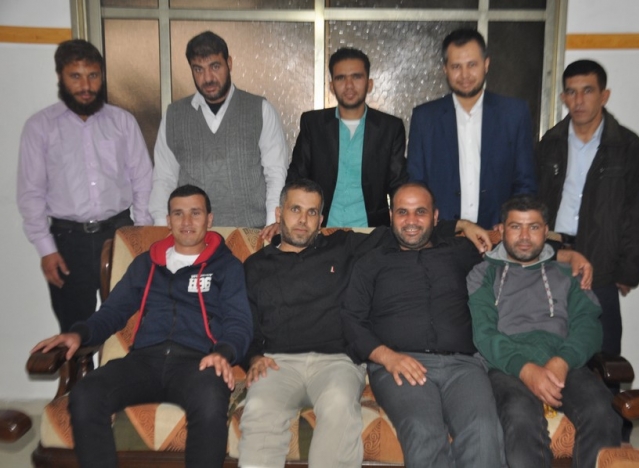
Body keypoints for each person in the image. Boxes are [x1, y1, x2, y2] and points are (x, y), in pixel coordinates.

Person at [239, 179, 489, 468]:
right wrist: (253, 357)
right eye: (295, 209)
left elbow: (408, 228)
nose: (303, 220)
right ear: (278, 213)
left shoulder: (343, 245)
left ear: (321, 219)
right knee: (259, 409)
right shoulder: (255, 265)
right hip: (277, 362)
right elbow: (246, 321)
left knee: (339, 405)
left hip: (336, 361)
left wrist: (460, 225)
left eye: (312, 212)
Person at [31, 185, 253, 468]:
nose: (186, 221)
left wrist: (223, 352)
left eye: (195, 213)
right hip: (144, 361)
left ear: (209, 219)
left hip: (198, 363)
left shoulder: (227, 266)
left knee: (210, 400)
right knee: (85, 394)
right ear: (168, 220)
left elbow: (239, 322)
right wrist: (79, 333)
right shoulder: (145, 264)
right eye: (178, 213)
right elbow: (113, 311)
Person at [341, 182, 505, 468]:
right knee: (423, 429)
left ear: (436, 217)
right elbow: (351, 319)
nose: (411, 221)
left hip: (463, 365)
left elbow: (519, 251)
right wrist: (387, 357)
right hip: (398, 363)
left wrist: (567, 255)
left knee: (483, 430)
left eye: (420, 212)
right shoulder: (371, 260)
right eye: (402, 212)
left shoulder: (461, 251)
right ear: (391, 216)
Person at [467, 195, 621, 468]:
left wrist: (562, 361)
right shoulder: (483, 274)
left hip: (564, 361)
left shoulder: (568, 273)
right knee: (520, 415)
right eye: (516, 227)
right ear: (501, 230)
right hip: (506, 365)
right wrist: (525, 369)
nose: (525, 236)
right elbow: (484, 332)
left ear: (546, 231)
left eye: (534, 227)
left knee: (603, 412)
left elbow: (589, 325)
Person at [17, 39, 153, 332]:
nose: (86, 86)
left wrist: (141, 236)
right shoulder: (40, 127)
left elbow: (143, 178)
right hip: (67, 243)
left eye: (93, 75)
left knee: (130, 326)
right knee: (74, 332)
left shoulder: (122, 122)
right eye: (75, 76)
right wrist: (46, 249)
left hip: (119, 235)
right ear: (60, 76)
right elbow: (31, 193)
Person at [535, 59, 639, 356]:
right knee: (547, 351)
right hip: (553, 257)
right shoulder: (549, 144)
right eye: (571, 92)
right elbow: (533, 201)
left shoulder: (627, 147)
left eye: (587, 91)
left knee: (602, 356)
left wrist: (628, 271)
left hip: (601, 263)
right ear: (563, 98)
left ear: (604, 95)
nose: (579, 100)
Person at [149, 30, 289, 227]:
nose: (208, 78)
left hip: (252, 233)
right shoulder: (174, 116)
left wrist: (272, 226)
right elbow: (164, 179)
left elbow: (275, 173)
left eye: (215, 66)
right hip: (193, 236)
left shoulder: (260, 109)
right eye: (198, 69)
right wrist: (161, 229)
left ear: (229, 63)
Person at [407, 27, 536, 229]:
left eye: (472, 65)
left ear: (486, 64)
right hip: (443, 233)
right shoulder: (425, 118)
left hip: (498, 234)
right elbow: (416, 183)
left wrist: (513, 224)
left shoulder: (514, 114)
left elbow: (525, 182)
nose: (464, 75)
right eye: (456, 66)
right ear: (445, 69)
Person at [287, 47, 407, 227]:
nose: (349, 85)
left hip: (372, 231)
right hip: (321, 229)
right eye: (341, 78)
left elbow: (399, 185)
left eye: (356, 77)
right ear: (331, 86)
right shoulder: (313, 124)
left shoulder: (390, 128)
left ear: (369, 84)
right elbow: (297, 178)